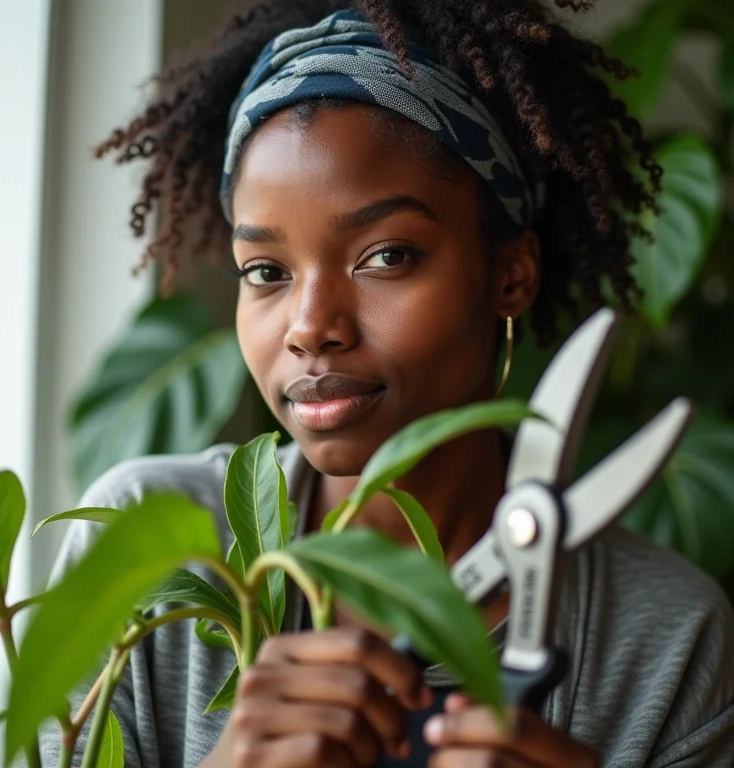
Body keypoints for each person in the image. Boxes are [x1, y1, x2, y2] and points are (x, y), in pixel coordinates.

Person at [43, 1, 734, 766]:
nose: (310, 326)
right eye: (265, 272)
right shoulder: (142, 539)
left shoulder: (668, 639)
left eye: (386, 256)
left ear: (512, 273)